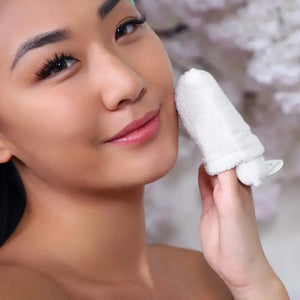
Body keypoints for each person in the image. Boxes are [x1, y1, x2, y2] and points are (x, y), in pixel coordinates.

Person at [0, 0, 290, 299]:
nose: (128, 83)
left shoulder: (208, 277)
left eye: (125, 28)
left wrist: (256, 283)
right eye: (57, 66)